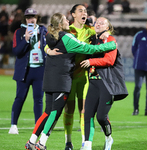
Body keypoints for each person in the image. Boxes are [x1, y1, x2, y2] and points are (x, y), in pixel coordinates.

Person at [24, 12, 117, 150]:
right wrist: (110, 45)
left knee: (47, 112)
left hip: (49, 78)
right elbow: (88, 48)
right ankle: (41, 143)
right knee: (55, 112)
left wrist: (48, 51)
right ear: (60, 24)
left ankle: (31, 141)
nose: (69, 21)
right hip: (61, 79)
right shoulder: (67, 38)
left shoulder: (49, 36)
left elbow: (45, 45)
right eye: (66, 20)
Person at [63, 4, 109, 150]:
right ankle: (68, 142)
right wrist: (47, 49)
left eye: (85, 11)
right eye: (80, 11)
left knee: (84, 110)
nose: (84, 13)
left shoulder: (90, 31)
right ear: (73, 14)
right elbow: (52, 40)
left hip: (84, 77)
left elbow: (102, 35)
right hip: (69, 76)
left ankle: (85, 143)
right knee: (69, 110)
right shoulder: (67, 31)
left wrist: (106, 34)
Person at [80, 17, 128, 150]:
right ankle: (87, 145)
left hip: (107, 83)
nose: (98, 24)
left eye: (102, 23)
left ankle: (108, 138)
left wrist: (91, 62)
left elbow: (110, 60)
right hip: (93, 82)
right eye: (97, 22)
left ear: (107, 27)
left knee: (101, 116)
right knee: (88, 114)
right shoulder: (91, 40)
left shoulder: (110, 39)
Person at [8, 8, 48, 134]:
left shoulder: (43, 30)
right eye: (29, 17)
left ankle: (38, 127)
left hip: (40, 70)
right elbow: (16, 52)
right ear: (25, 19)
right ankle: (13, 125)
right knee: (19, 98)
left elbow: (50, 46)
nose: (31, 19)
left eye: (34, 17)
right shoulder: (19, 32)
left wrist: (44, 44)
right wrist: (25, 39)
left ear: (37, 18)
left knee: (38, 99)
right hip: (24, 70)